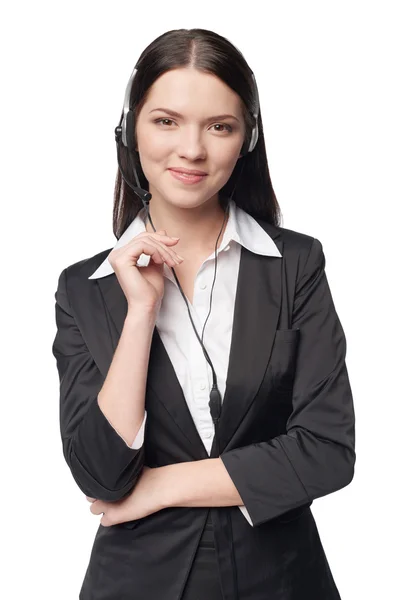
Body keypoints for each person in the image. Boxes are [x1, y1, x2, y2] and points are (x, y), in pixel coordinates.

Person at [52, 27, 356, 600]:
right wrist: (140, 313)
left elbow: (327, 451)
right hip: (139, 584)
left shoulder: (295, 264)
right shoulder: (83, 290)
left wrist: (162, 487)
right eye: (166, 121)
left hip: (284, 581)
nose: (192, 149)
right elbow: (99, 475)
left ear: (247, 139)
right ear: (130, 131)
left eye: (220, 126)